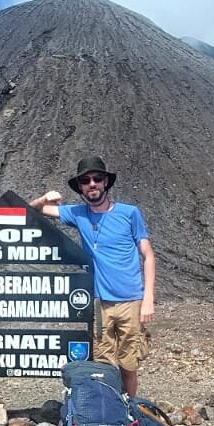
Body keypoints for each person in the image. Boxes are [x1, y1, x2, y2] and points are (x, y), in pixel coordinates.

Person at [31, 155, 155, 396]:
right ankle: (108, 414)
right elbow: (28, 211)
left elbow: (148, 255)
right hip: (98, 302)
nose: (92, 184)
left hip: (131, 300)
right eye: (85, 180)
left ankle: (130, 410)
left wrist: (148, 298)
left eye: (97, 179)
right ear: (80, 187)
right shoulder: (76, 214)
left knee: (129, 363)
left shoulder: (129, 214)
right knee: (103, 363)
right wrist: (45, 198)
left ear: (106, 182)